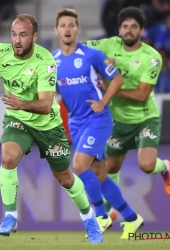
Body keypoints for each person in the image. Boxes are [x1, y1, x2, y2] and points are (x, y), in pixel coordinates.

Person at [0, 14, 103, 243]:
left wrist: (21, 103)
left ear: (34, 37)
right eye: (14, 34)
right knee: (8, 158)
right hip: (18, 120)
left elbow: (45, 105)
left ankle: (89, 218)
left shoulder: (45, 62)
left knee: (66, 179)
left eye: (23, 35)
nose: (16, 40)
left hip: (48, 125)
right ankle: (10, 216)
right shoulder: (1, 52)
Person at [53, 8, 143, 240]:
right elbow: (52, 92)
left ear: (78, 29)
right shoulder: (52, 61)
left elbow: (118, 78)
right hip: (75, 122)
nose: (67, 29)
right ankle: (132, 218)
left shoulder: (92, 55)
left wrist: (104, 100)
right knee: (99, 174)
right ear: (56, 30)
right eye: (63, 25)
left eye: (71, 25)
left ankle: (100, 217)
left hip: (97, 119)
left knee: (80, 165)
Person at [86, 6, 170, 220]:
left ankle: (166, 166)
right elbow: (80, 49)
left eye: (134, 27)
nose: (129, 31)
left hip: (144, 119)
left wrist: (110, 88)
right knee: (110, 167)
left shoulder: (151, 57)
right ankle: (106, 214)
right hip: (118, 122)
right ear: (119, 30)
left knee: (146, 165)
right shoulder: (108, 45)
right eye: (125, 26)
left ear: (142, 31)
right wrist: (99, 63)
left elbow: (142, 94)